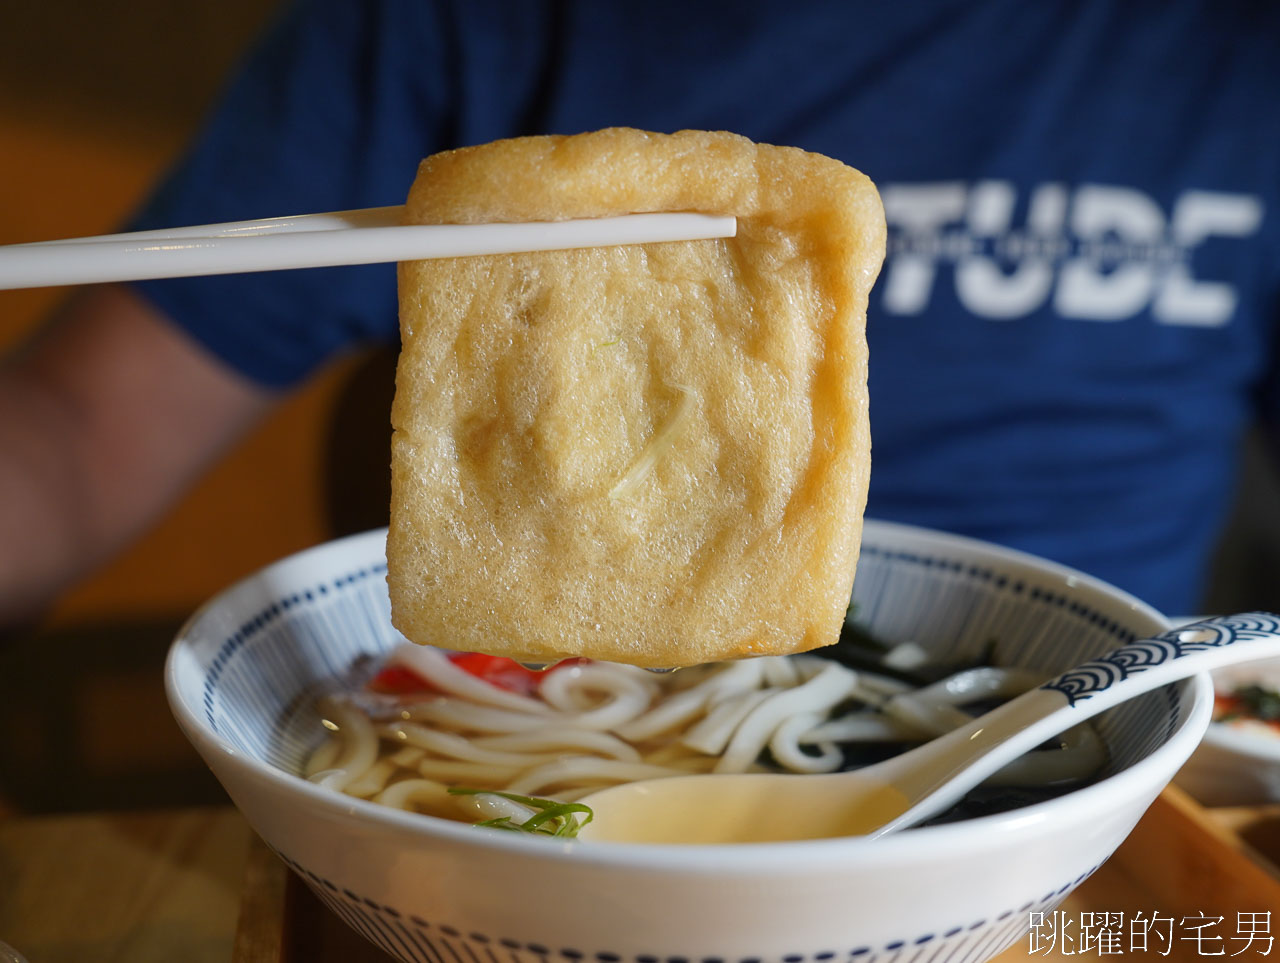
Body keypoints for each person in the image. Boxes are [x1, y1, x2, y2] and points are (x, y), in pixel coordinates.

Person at [1, 0, 1276, 629]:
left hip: (1083, 762)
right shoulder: (449, 24)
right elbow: (73, 431)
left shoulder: (1229, 51)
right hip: (502, 771)